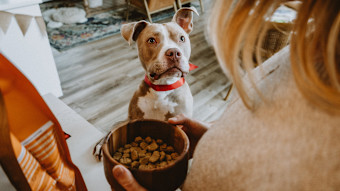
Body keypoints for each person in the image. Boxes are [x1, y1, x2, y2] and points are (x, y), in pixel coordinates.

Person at [111, 0, 340, 190]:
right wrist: (214, 132)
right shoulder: (303, 48)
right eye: (153, 41)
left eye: (180, 39)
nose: (173, 51)